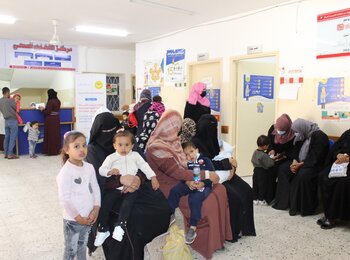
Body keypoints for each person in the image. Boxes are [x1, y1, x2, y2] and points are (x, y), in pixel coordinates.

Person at [146, 110, 232, 259]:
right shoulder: (157, 147)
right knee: (203, 201)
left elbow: (185, 165)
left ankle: (217, 238)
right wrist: (203, 176)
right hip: (169, 185)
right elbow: (176, 172)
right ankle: (174, 215)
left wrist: (196, 179)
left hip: (185, 178)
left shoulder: (172, 140)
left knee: (220, 190)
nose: (178, 131)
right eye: (176, 127)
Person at [85, 110, 169, 260]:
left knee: (161, 204)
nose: (110, 134)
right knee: (131, 218)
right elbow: (96, 178)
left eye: (112, 129)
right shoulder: (93, 150)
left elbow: (142, 164)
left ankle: (151, 243)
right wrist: (120, 180)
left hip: (136, 187)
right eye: (105, 131)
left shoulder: (125, 140)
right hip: (108, 192)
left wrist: (137, 179)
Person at [191, 114, 256, 242]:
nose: (213, 131)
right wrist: (229, 163)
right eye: (210, 128)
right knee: (234, 198)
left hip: (225, 172)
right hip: (213, 177)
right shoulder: (195, 144)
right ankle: (232, 232)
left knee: (247, 190)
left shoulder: (214, 140)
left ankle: (246, 227)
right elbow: (205, 163)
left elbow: (221, 156)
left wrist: (231, 166)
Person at [94, 130, 159, 246]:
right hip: (116, 188)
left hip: (132, 187)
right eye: (120, 145)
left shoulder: (135, 156)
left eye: (127, 145)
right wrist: (109, 171)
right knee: (105, 203)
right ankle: (103, 229)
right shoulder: (111, 157)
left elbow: (144, 166)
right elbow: (101, 170)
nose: (123, 148)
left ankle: (120, 225)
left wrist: (153, 177)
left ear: (132, 146)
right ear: (114, 145)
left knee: (128, 203)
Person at [56, 131, 101, 260]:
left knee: (82, 246)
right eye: (76, 146)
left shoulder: (89, 167)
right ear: (66, 150)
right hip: (73, 220)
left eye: (84, 145)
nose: (82, 149)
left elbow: (95, 187)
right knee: (71, 249)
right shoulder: (66, 172)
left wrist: (96, 208)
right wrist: (78, 217)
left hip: (88, 216)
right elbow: (65, 199)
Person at [273, 118, 329, 216]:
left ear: (303, 127)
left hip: (314, 165)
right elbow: (295, 150)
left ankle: (301, 207)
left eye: (297, 131)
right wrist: (295, 161)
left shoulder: (320, 137)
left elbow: (316, 157)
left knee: (302, 175)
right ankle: (283, 202)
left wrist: (299, 165)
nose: (296, 133)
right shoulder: (302, 135)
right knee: (283, 169)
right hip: (300, 162)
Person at [168, 141, 214, 244]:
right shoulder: (186, 163)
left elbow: (212, 175)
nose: (190, 155)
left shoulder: (205, 160)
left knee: (194, 199)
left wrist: (203, 183)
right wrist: (187, 182)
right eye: (186, 154)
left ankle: (193, 228)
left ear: (197, 150)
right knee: (175, 190)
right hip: (190, 183)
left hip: (204, 185)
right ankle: (170, 213)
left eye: (192, 152)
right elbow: (181, 175)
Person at [317, 129, 350, 229]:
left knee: (342, 182)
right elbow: (336, 147)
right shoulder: (348, 133)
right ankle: (328, 213)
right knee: (323, 176)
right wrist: (338, 154)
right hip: (341, 163)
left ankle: (333, 217)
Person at [266, 114, 295, 204]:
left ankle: (279, 198)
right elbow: (269, 142)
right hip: (274, 156)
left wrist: (282, 156)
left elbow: (293, 150)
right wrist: (271, 150)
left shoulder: (293, 133)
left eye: (282, 131)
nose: (279, 132)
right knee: (269, 168)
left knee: (281, 170)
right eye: (278, 130)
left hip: (286, 157)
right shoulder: (273, 128)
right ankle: (269, 196)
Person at [251, 135, 275, 205]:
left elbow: (252, 160)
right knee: (262, 186)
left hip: (256, 171)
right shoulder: (264, 155)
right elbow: (270, 164)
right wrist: (272, 158)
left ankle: (255, 198)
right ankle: (261, 199)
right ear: (265, 146)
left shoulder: (255, 152)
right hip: (263, 172)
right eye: (268, 146)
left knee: (255, 184)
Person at [40, 89, 61, 155]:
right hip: (56, 119)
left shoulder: (50, 101)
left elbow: (48, 112)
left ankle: (50, 151)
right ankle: (57, 150)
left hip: (50, 120)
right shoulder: (58, 101)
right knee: (56, 135)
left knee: (50, 135)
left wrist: (42, 110)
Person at [0, 87, 18, 159]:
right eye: (9, 93)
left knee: (6, 137)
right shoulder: (11, 100)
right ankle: (10, 154)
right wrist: (15, 101)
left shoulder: (0, 101)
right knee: (13, 137)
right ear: (7, 92)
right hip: (13, 120)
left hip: (6, 121)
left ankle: (6, 153)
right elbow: (16, 108)